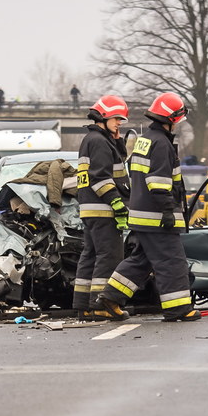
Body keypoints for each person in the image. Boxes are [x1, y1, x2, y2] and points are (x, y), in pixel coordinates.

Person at [96, 92, 200, 322]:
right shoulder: (162, 144)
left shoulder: (145, 139)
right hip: (157, 217)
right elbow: (159, 182)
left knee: (141, 262)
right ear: (171, 118)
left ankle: (110, 298)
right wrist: (167, 212)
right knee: (172, 261)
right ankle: (178, 309)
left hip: (142, 216)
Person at [73, 95, 131, 319]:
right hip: (103, 209)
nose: (119, 123)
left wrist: (117, 140)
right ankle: (99, 306)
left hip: (91, 210)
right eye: (116, 119)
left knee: (90, 256)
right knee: (109, 257)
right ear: (104, 117)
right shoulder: (98, 141)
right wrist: (117, 204)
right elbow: (101, 178)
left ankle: (84, 306)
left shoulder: (92, 139)